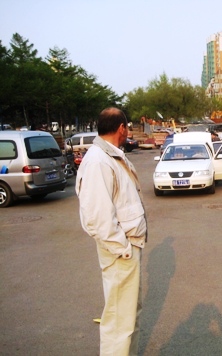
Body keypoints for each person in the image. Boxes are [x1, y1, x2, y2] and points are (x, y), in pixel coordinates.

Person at [76, 107, 147, 356]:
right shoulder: (98, 161)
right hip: (120, 253)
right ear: (121, 128)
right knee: (118, 323)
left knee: (128, 318)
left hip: (126, 249)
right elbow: (97, 219)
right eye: (127, 128)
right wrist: (123, 250)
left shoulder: (110, 156)